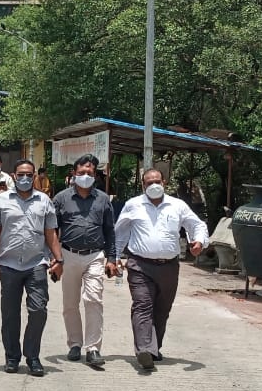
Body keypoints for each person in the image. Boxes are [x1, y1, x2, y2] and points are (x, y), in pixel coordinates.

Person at [115, 168, 208, 371]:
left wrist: (198, 242)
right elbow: (120, 232)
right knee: (142, 305)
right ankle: (143, 350)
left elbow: (197, 225)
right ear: (142, 185)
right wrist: (114, 258)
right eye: (149, 182)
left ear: (164, 182)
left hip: (169, 267)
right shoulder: (133, 205)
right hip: (139, 265)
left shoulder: (177, 205)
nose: (153, 185)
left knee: (162, 309)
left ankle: (153, 348)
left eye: (157, 181)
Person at [0, 160, 62, 377]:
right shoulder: (1, 200)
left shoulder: (44, 201)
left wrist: (59, 260)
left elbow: (51, 233)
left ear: (35, 175)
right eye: (21, 174)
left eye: (29, 174)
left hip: (36, 264)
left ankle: (33, 356)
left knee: (38, 310)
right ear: (14, 175)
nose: (25, 178)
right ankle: (12, 356)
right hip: (8, 265)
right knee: (10, 314)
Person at [53, 154, 119, 367]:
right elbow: (51, 231)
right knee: (70, 303)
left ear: (95, 175)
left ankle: (92, 348)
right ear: (73, 174)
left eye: (89, 173)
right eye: (81, 172)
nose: (85, 176)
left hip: (95, 256)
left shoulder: (103, 200)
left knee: (93, 300)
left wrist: (112, 258)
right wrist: (54, 259)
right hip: (68, 255)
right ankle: (74, 344)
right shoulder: (61, 198)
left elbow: (110, 230)